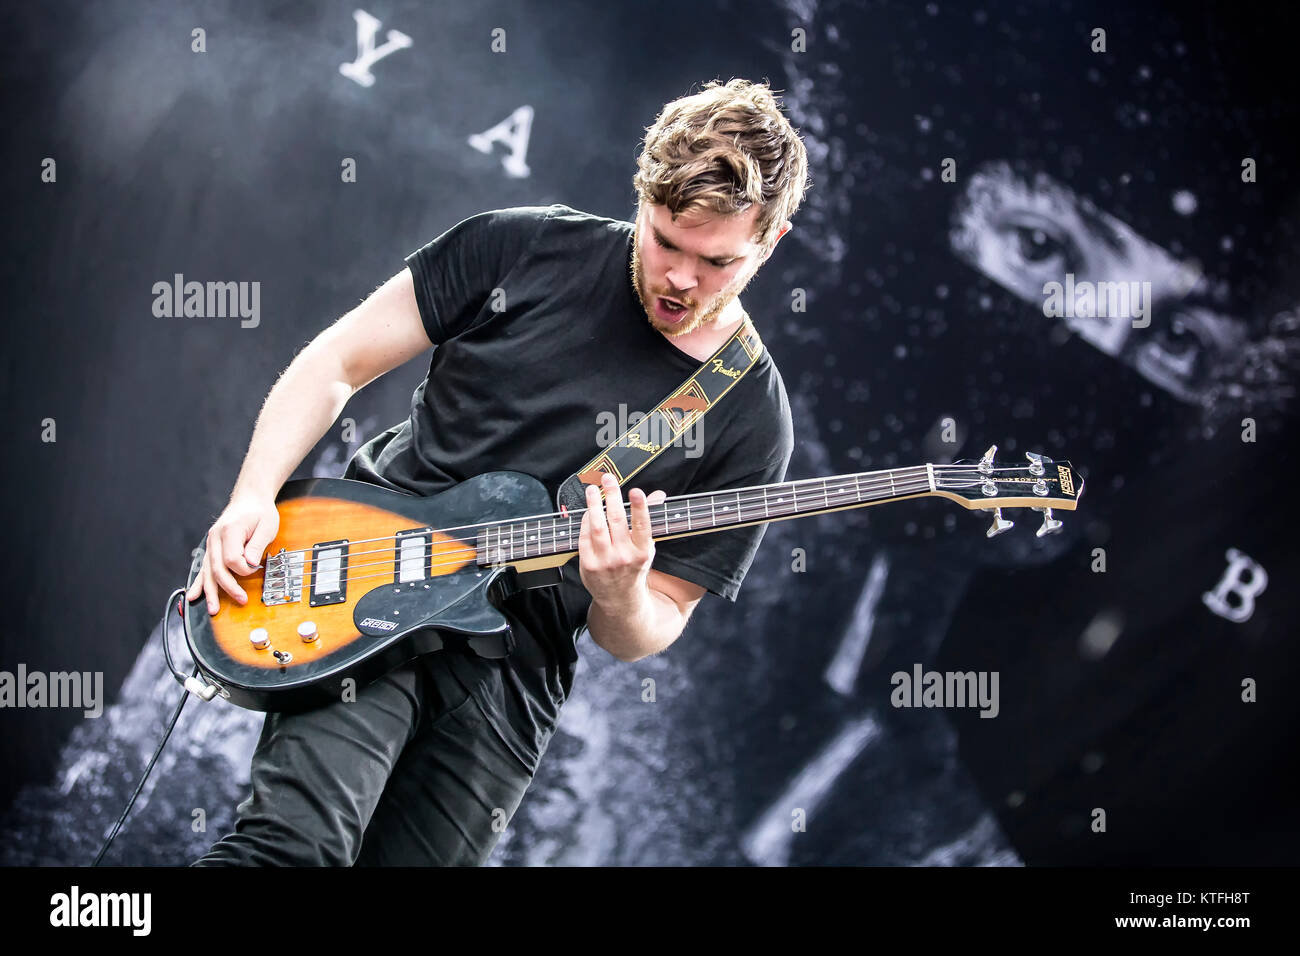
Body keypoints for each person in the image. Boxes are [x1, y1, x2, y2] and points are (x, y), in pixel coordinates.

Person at [187, 78, 810, 866]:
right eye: (664, 240)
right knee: (289, 852)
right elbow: (337, 363)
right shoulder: (522, 245)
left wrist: (620, 591)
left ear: (771, 240)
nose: (680, 278)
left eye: (716, 260)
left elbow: (655, 624)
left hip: (513, 669)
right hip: (369, 579)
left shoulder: (752, 415)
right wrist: (252, 496)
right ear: (642, 191)